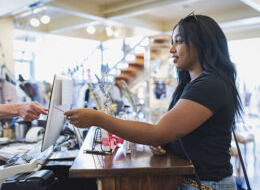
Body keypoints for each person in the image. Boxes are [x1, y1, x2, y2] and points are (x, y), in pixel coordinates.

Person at [64, 13, 242, 190]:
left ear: (201, 44)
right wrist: (167, 143)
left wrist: (98, 118)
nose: (171, 49)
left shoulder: (209, 85)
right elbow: (178, 134)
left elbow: (157, 132)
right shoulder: (195, 84)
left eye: (178, 41)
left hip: (206, 185)